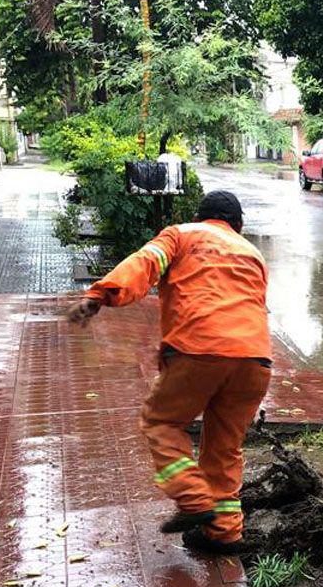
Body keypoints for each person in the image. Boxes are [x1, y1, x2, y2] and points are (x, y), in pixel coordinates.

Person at [66, 191, 270, 555]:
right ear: (238, 225)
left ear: (200, 216)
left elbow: (145, 262)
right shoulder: (252, 253)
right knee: (224, 448)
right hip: (255, 359)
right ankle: (225, 533)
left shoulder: (181, 234)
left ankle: (194, 500)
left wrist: (100, 294)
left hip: (199, 349)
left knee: (161, 423)